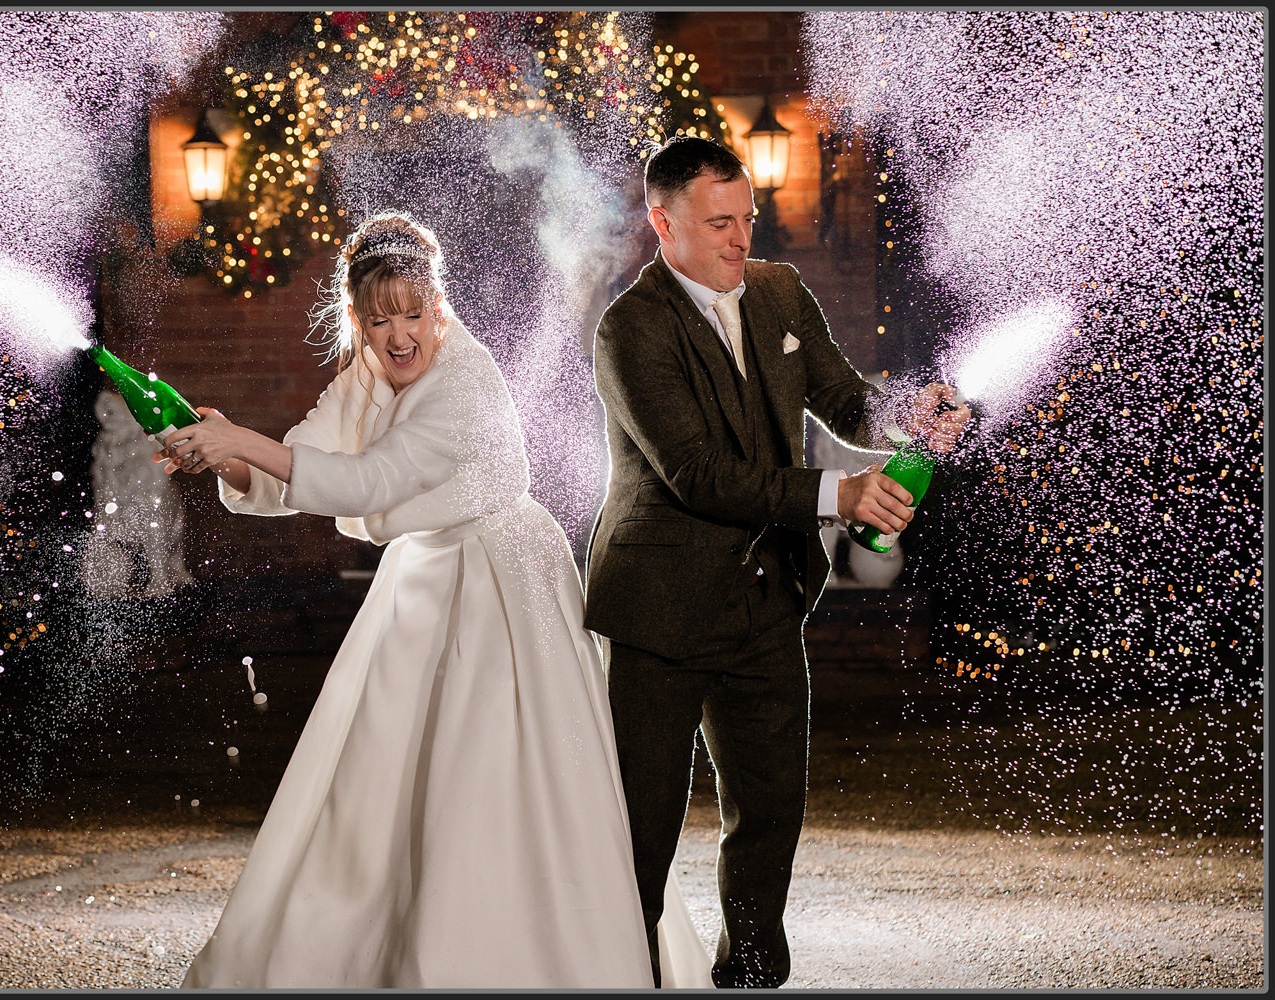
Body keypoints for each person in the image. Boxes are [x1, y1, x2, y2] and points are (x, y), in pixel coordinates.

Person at [162, 212, 710, 988]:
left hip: (501, 577)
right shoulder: (362, 376)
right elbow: (304, 467)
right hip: (422, 576)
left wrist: (246, 442)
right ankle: (378, 944)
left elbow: (372, 481)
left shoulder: (467, 378)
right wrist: (222, 450)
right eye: (379, 320)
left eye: (413, 315)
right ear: (357, 319)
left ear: (438, 308)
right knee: (386, 766)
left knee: (492, 764)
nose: (398, 337)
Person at [586, 136, 971, 987]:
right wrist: (839, 495)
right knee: (639, 829)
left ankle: (753, 973)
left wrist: (907, 412)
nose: (738, 239)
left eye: (746, 219)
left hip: (767, 598)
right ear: (663, 224)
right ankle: (616, 976)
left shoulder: (778, 290)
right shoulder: (628, 329)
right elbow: (697, 474)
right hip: (658, 609)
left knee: (768, 815)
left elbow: (839, 396)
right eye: (717, 223)